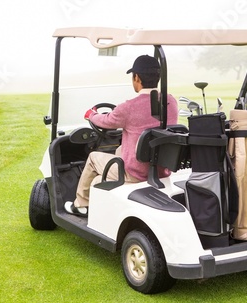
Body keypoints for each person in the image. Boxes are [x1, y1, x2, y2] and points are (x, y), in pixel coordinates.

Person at [64, 55, 179, 217]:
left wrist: (91, 114)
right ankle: (97, 189)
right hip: (161, 169)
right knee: (118, 151)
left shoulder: (128, 108)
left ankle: (80, 204)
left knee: (92, 158)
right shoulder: (171, 102)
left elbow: (105, 120)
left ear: (136, 77)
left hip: (136, 172)